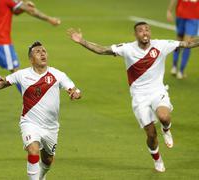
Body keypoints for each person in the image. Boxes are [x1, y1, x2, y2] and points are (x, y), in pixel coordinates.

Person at [67, 22, 199, 172]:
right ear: (135, 35)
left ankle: (166, 129)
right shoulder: (127, 48)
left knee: (164, 117)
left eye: (147, 30)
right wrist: (82, 41)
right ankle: (157, 159)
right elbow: (102, 50)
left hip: (157, 91)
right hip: (139, 96)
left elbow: (187, 44)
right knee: (150, 134)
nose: (145, 33)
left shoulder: (161, 45)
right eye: (141, 31)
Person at [0, 41, 81, 180]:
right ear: (31, 59)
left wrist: (75, 93)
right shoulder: (21, 75)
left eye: (44, 51)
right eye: (38, 51)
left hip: (51, 127)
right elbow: (2, 84)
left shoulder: (58, 75)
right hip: (30, 123)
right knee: (33, 150)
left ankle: (41, 176)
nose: (42, 53)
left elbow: (73, 89)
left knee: (47, 160)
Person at [0, 0, 61, 116]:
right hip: (2, 41)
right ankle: (36, 106)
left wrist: (22, 6)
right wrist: (49, 19)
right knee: (16, 72)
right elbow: (30, 10)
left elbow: (14, 11)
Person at [167, 0, 199, 79]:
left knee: (179, 40)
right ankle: (181, 71)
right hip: (193, 16)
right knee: (188, 43)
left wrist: (169, 11)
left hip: (180, 14)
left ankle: (174, 67)